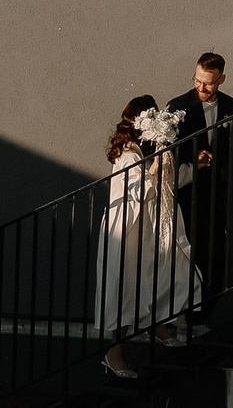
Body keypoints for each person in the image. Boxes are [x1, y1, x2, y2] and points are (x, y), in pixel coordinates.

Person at [95, 95, 197, 374]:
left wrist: (191, 168)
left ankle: (159, 326)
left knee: (151, 276)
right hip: (127, 229)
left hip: (147, 226)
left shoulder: (143, 150)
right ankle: (113, 355)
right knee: (126, 287)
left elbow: (166, 184)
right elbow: (142, 189)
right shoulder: (128, 154)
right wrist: (157, 165)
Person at [168, 53, 233, 304]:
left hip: (216, 192)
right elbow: (168, 154)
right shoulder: (178, 107)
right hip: (185, 192)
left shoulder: (230, 107)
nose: (201, 87)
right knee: (185, 253)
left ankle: (205, 308)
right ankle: (182, 310)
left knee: (214, 251)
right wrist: (195, 158)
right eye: (197, 81)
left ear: (222, 79)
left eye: (209, 83)